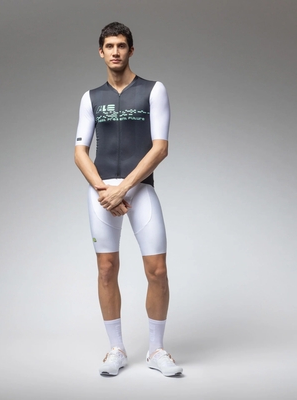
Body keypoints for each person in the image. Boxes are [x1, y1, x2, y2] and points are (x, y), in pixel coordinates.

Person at [74, 22, 182, 377]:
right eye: (109, 46)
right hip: (101, 193)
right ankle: (116, 349)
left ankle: (156, 350)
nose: (116, 51)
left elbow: (160, 148)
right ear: (101, 52)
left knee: (158, 270)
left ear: (131, 50)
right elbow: (79, 151)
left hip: (140, 189)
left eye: (121, 45)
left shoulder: (153, 90)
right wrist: (105, 191)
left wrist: (124, 189)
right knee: (106, 269)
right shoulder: (91, 97)